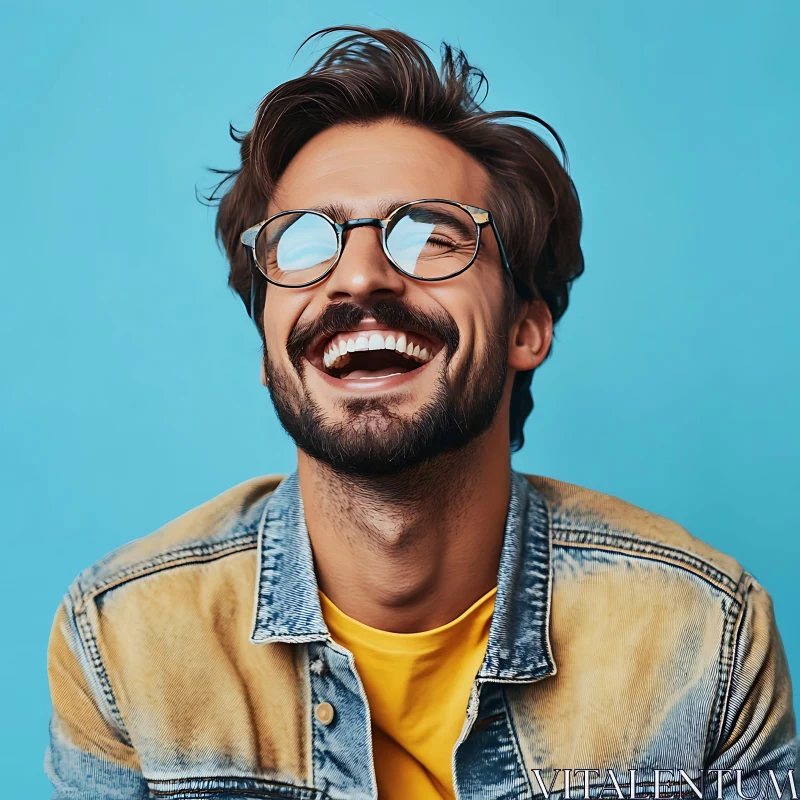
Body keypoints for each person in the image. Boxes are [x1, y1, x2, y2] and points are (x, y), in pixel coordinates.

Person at [46, 27, 796, 800]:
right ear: (269, 349)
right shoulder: (122, 639)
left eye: (432, 236)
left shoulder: (708, 636)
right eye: (305, 243)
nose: (359, 275)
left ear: (524, 329)